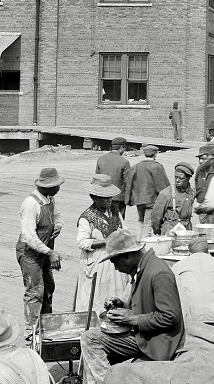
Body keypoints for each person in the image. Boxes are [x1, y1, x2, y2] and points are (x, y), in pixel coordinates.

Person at [80, 229, 184, 384]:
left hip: (158, 342)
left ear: (127, 256)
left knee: (90, 339)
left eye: (115, 262)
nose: (115, 267)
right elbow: (148, 304)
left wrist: (133, 319)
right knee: (91, 357)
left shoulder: (158, 272)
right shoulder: (144, 268)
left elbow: (170, 316)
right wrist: (124, 305)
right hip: (146, 334)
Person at [16, 168, 63, 344]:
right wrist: (50, 252)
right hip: (30, 253)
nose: (58, 189)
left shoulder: (50, 199)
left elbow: (57, 216)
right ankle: (32, 332)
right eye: (56, 186)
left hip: (44, 251)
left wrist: (58, 225)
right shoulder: (30, 203)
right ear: (46, 187)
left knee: (49, 287)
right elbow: (29, 236)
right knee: (35, 291)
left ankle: (46, 324)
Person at [74, 175, 131, 313]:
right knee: (96, 297)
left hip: (115, 258)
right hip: (97, 261)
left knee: (117, 292)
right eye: (104, 198)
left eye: (110, 197)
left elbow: (124, 229)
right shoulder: (87, 217)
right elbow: (82, 242)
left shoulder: (115, 211)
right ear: (94, 197)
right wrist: (105, 242)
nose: (109, 200)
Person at [127, 145, 169, 239]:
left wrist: (128, 199)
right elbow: (162, 186)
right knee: (148, 223)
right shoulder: (157, 166)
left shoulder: (136, 166)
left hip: (138, 200)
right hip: (152, 200)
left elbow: (129, 183)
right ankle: (144, 244)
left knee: (140, 220)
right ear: (155, 154)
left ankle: (138, 240)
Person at [150, 163, 197, 236]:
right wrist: (159, 232)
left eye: (181, 178)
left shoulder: (192, 192)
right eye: (176, 177)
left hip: (186, 231)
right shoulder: (166, 193)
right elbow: (156, 217)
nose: (177, 180)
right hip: (170, 231)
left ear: (188, 178)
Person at [96, 137, 131, 218]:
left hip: (102, 196)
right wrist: (128, 199)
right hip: (118, 198)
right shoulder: (124, 162)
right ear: (122, 147)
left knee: (102, 221)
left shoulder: (101, 159)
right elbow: (128, 182)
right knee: (118, 223)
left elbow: (96, 179)